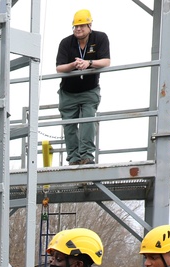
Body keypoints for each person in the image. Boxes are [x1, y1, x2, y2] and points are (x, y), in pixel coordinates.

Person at [56, 9, 110, 166]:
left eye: (81, 26)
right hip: (68, 92)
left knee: (87, 121)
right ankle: (73, 159)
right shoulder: (66, 42)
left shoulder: (100, 38)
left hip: (89, 89)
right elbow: (59, 68)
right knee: (69, 125)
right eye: (75, 26)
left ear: (89, 25)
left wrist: (89, 63)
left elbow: (106, 61)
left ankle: (86, 157)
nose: (78, 29)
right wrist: (73, 65)